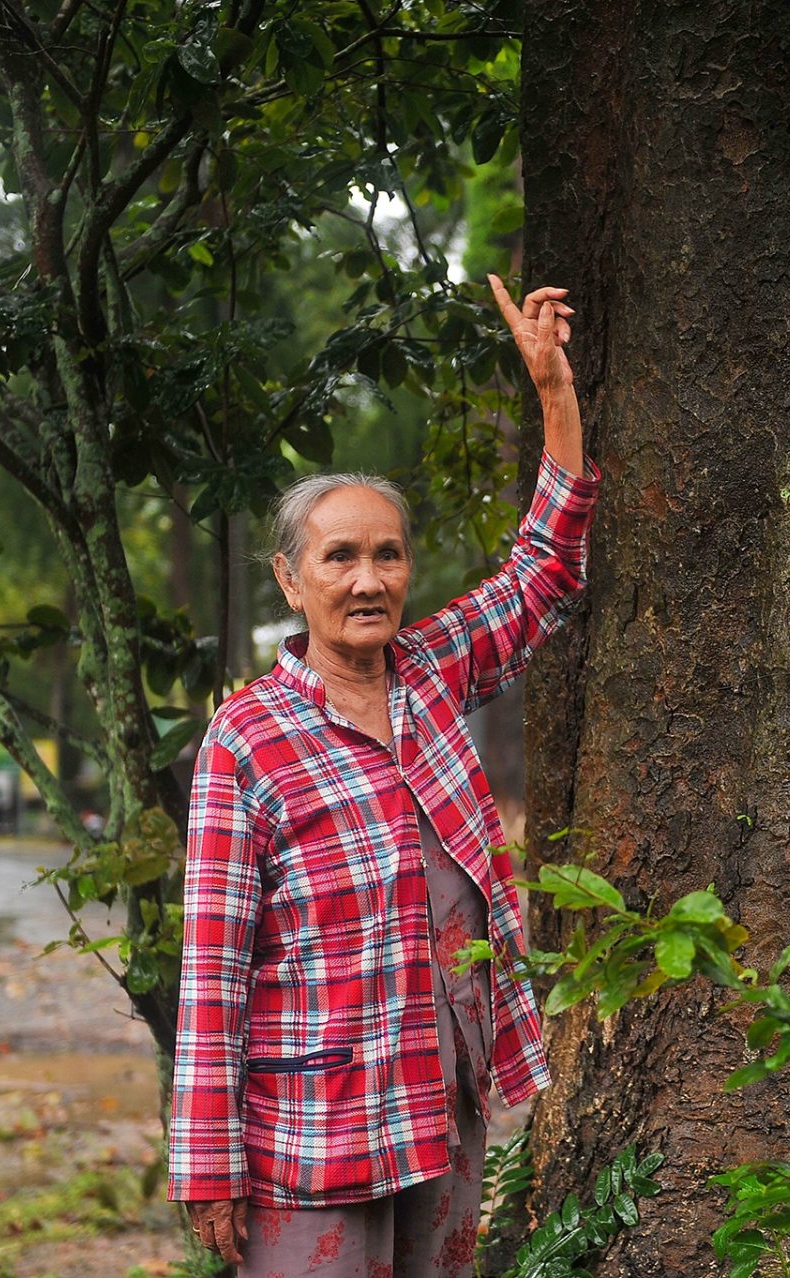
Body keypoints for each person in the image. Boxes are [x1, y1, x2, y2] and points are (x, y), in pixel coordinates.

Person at [168, 276, 593, 1276]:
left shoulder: (433, 671)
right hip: (313, 1130)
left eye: (389, 556)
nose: (369, 580)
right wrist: (207, 1164)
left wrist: (554, 397)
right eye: (341, 557)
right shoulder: (247, 738)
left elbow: (544, 570)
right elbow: (214, 968)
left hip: (440, 1100)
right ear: (291, 579)